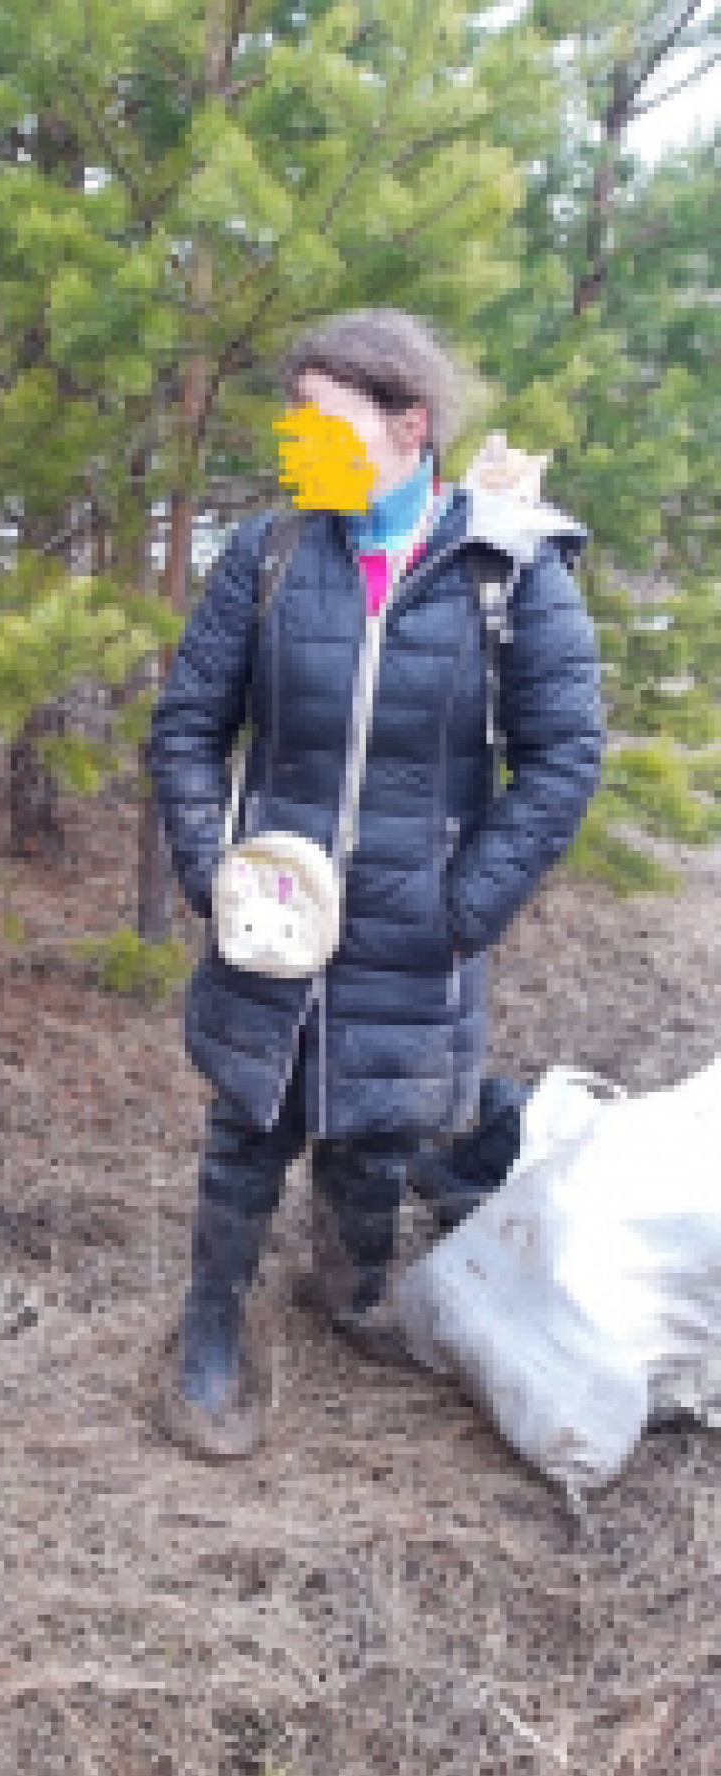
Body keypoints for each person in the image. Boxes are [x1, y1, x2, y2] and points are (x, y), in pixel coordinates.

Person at [146, 308, 603, 1461]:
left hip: (413, 920)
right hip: (272, 917)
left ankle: (345, 1293)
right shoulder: (270, 557)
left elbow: (561, 759)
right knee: (248, 1122)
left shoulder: (508, 570)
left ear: (410, 426)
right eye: (292, 419)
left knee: (376, 1129)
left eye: (324, 420)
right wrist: (213, 869)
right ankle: (209, 1333)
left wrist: (464, 907)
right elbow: (188, 726)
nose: (297, 444)